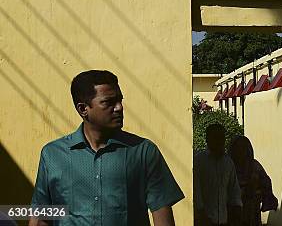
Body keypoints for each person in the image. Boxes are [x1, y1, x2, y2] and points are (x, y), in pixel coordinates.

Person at [29, 70, 184, 226]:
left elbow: (162, 213)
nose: (119, 107)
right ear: (83, 109)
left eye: (120, 100)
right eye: (108, 102)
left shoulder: (143, 151)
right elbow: (41, 216)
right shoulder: (53, 155)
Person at [194, 124, 242, 226]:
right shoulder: (199, 161)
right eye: (215, 137)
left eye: (221, 137)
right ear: (207, 139)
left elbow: (234, 190)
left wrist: (236, 211)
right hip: (205, 220)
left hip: (224, 220)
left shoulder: (228, 162)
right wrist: (201, 214)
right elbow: (196, 190)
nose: (219, 141)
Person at [228, 136, 278, 226]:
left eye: (244, 148)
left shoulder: (255, 166)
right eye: (238, 149)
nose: (241, 152)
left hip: (252, 210)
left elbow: (266, 183)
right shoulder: (228, 167)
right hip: (233, 212)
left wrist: (257, 190)